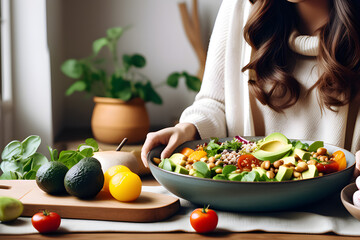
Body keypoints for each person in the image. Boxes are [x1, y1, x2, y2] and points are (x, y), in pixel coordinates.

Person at [141, 0, 360, 175]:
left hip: (340, 206)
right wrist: (187, 128)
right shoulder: (239, 7)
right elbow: (214, 102)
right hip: (241, 202)